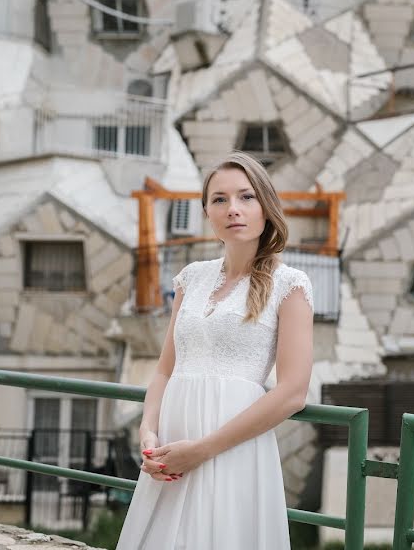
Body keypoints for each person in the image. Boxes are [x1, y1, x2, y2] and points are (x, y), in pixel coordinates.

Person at [116, 153, 314, 549]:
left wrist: (202, 450)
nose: (233, 209)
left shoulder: (289, 284)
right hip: (172, 444)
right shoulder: (191, 277)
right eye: (220, 199)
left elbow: (292, 393)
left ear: (265, 207)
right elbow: (164, 370)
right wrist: (148, 429)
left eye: (246, 197)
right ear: (207, 211)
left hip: (230, 449)